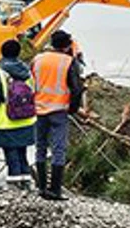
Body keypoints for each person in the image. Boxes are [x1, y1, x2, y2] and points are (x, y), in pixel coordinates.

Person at [31, 29, 88, 201]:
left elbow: (30, 82)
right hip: (58, 111)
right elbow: (76, 88)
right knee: (58, 150)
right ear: (66, 45)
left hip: (38, 109)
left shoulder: (37, 59)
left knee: (40, 147)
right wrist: (73, 109)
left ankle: (41, 188)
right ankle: (55, 190)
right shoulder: (68, 62)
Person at [0, 38, 36, 188]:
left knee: (11, 152)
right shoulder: (27, 71)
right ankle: (26, 180)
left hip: (7, 121)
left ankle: (14, 182)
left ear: (2, 53)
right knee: (22, 151)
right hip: (27, 119)